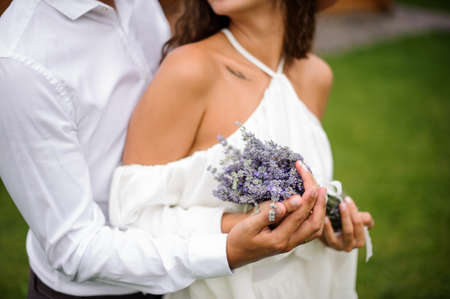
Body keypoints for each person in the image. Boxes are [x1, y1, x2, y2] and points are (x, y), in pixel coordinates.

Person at [0, 0, 340, 298]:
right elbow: (75, 247)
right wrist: (231, 245)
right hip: (101, 289)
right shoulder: (18, 62)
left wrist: (327, 215)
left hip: (240, 275)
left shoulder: (313, 76)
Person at [109, 0, 374, 298]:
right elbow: (129, 217)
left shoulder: (315, 76)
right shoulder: (190, 70)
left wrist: (327, 223)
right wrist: (246, 225)